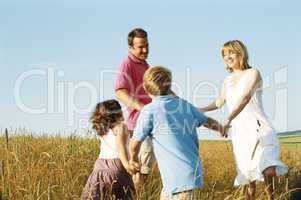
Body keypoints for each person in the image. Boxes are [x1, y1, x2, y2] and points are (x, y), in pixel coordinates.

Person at [199, 40, 288, 200]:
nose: (227, 57)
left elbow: (246, 97)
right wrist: (200, 110)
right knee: (248, 177)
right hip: (240, 132)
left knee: (267, 169)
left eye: (230, 52)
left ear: (241, 53)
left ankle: (272, 197)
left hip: (258, 127)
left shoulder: (253, 73)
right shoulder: (227, 80)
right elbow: (219, 102)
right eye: (224, 55)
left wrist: (228, 119)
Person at [129, 66, 227, 200]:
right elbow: (206, 121)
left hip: (176, 182)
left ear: (145, 88)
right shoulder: (185, 105)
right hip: (190, 176)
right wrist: (221, 128)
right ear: (170, 85)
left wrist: (133, 160)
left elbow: (135, 144)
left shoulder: (149, 110)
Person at [115, 28, 155, 184]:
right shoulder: (127, 64)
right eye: (140, 47)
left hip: (151, 120)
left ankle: (140, 191)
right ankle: (138, 193)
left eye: (147, 45)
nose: (145, 50)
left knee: (147, 163)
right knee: (140, 165)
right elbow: (120, 92)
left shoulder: (146, 66)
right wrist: (142, 108)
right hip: (137, 122)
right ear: (130, 47)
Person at [81, 100, 138, 200]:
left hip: (99, 167)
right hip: (116, 166)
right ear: (117, 112)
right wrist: (127, 165)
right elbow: (121, 148)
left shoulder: (103, 130)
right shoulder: (121, 127)